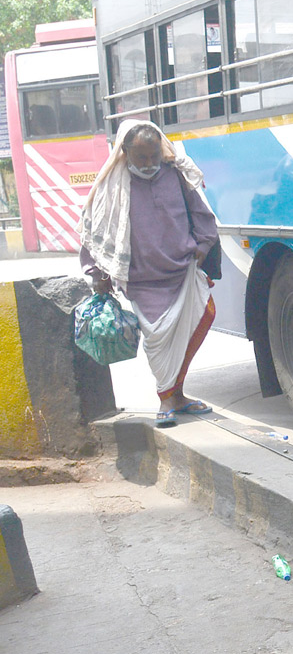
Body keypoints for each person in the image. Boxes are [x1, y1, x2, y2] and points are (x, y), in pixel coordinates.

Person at [79, 119, 218, 428]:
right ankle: (166, 399)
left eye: (154, 155)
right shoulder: (111, 185)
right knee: (157, 340)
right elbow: (94, 229)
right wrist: (97, 274)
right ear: (125, 152)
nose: (149, 163)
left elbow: (200, 211)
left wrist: (203, 246)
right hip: (142, 280)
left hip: (182, 269)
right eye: (141, 157)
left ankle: (177, 394)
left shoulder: (175, 174)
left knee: (204, 315)